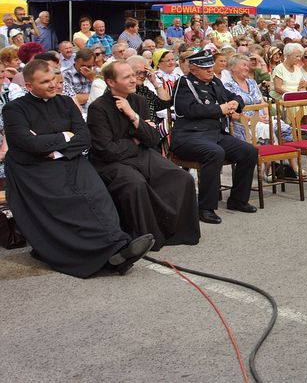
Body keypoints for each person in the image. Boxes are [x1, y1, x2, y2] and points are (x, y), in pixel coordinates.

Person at [2, 59, 155, 277]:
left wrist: (54, 148)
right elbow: (28, 144)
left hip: (70, 160)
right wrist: (65, 136)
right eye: (45, 82)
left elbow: (84, 138)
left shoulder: (65, 102)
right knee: (72, 201)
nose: (53, 84)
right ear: (28, 86)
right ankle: (103, 255)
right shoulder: (14, 109)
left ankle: (117, 245)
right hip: (34, 169)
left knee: (96, 195)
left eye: (53, 79)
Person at [87, 60, 200, 251]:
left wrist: (133, 115)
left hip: (142, 154)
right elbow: (106, 149)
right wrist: (135, 140)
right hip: (111, 163)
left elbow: (152, 139)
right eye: (127, 77)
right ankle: (148, 237)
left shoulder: (138, 101)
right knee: (136, 184)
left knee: (182, 178)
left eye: (133, 75)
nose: (133, 80)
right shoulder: (98, 108)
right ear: (111, 82)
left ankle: (175, 231)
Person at [170, 50, 259, 224]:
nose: (210, 70)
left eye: (211, 66)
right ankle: (205, 208)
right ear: (193, 69)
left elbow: (234, 96)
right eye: (205, 68)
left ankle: (238, 200)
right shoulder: (184, 83)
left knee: (249, 151)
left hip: (214, 134)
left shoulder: (215, 82)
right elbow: (188, 110)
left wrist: (236, 103)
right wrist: (219, 109)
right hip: (189, 136)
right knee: (215, 153)